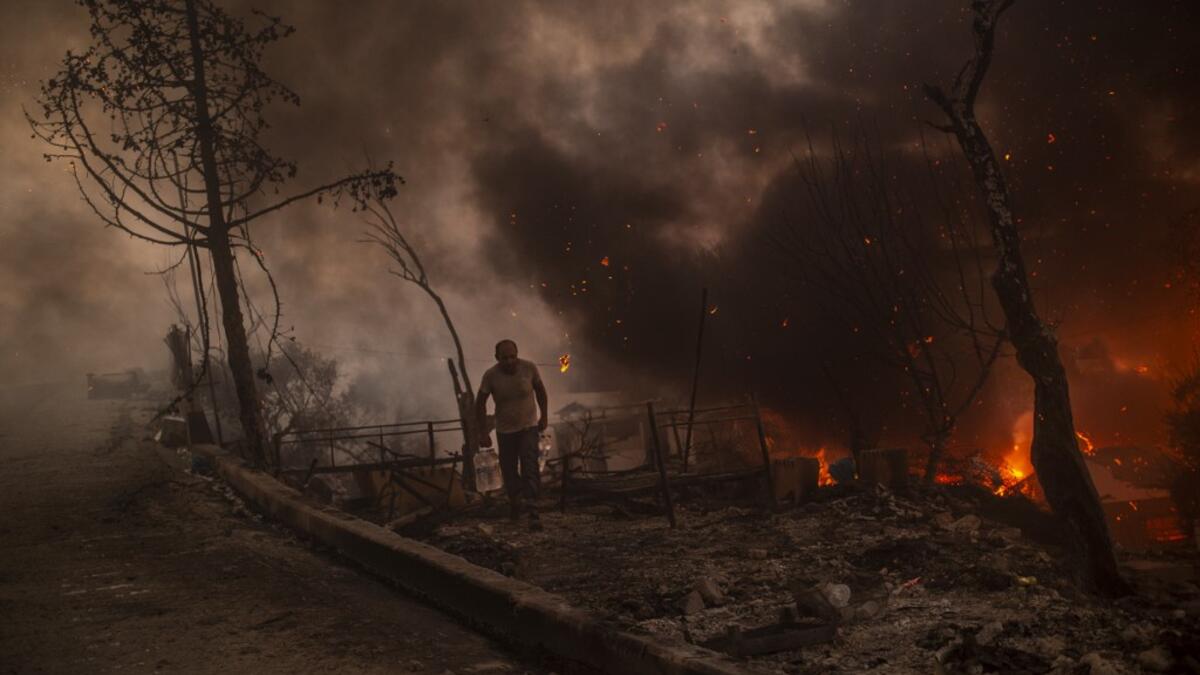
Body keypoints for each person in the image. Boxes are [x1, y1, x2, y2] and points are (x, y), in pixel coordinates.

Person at [475, 339, 548, 530]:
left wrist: (544, 416)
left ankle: (533, 510)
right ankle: (515, 502)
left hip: (528, 427)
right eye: (505, 358)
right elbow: (480, 403)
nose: (509, 361)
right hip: (505, 430)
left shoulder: (529, 368)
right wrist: (483, 432)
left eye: (512, 356)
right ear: (497, 358)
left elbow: (541, 392)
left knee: (529, 464)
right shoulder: (491, 376)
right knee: (508, 469)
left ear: (517, 355)